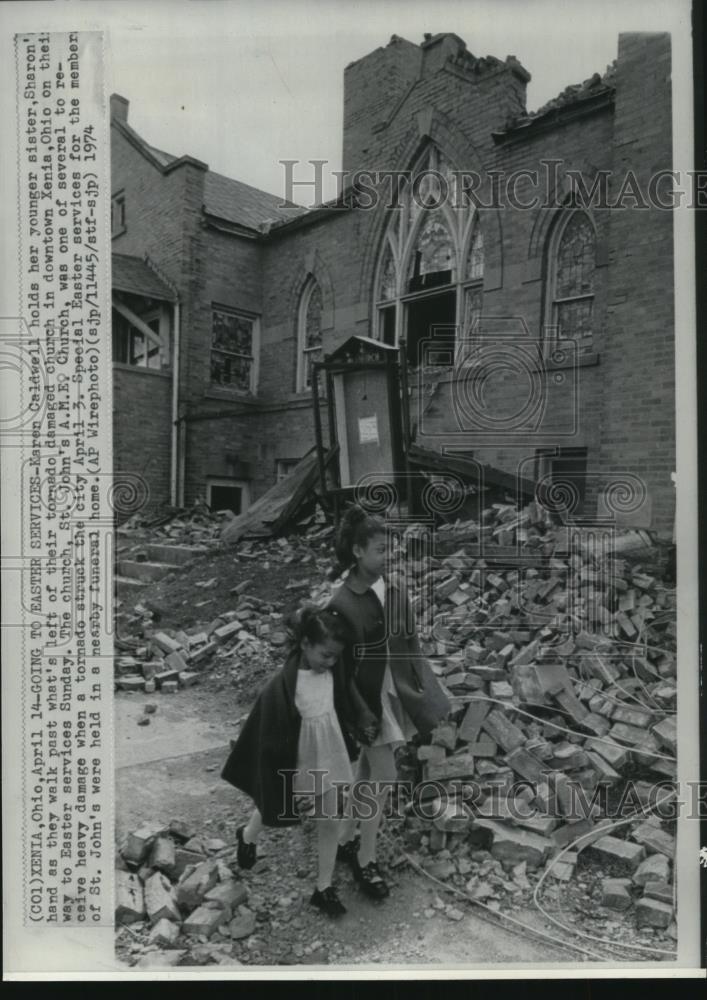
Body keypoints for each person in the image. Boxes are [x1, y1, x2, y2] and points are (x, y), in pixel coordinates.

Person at [327, 504, 451, 900]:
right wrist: (357, 715)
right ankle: (365, 861)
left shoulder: (394, 590)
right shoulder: (342, 602)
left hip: (395, 693)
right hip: (366, 703)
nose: (388, 557)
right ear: (358, 552)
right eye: (380, 550)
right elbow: (339, 670)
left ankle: (346, 838)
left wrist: (425, 694)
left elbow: (411, 645)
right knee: (383, 779)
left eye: (390, 550)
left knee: (368, 771)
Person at [221, 606, 359, 917]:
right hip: (296, 757)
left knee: (329, 819)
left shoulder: (332, 671)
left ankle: (323, 888)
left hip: (329, 751)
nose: (331, 662)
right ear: (305, 644)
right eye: (326, 655)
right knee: (275, 802)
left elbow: (342, 702)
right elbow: (264, 731)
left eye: (336, 656)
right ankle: (247, 836)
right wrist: (278, 766)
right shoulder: (282, 686)